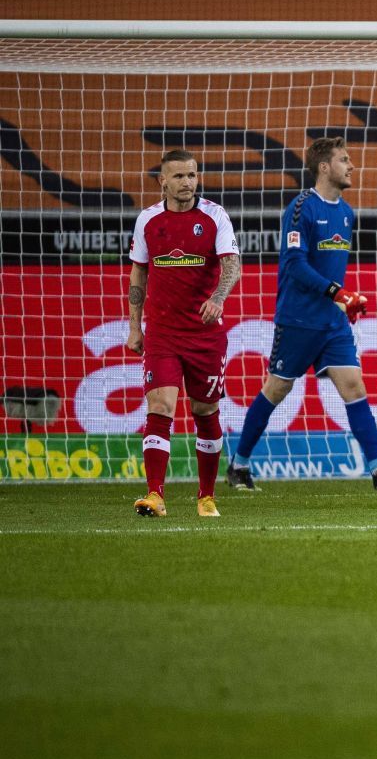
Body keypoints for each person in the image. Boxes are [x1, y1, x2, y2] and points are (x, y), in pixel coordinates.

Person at [226, 137, 377, 491]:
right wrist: (337, 292)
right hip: (298, 319)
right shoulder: (302, 208)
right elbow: (295, 264)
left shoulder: (346, 213)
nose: (352, 166)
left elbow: (331, 271)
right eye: (344, 160)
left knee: (354, 386)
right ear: (324, 167)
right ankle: (239, 464)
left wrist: (344, 301)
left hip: (332, 321)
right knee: (277, 388)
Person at [128, 150, 241, 517]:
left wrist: (218, 298)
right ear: (163, 181)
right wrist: (134, 326)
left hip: (205, 335)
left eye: (192, 175)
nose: (187, 183)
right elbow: (139, 276)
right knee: (159, 406)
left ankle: (206, 496)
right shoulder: (147, 220)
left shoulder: (214, 215)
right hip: (162, 333)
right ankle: (155, 495)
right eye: (178, 177)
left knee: (205, 410)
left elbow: (232, 264)